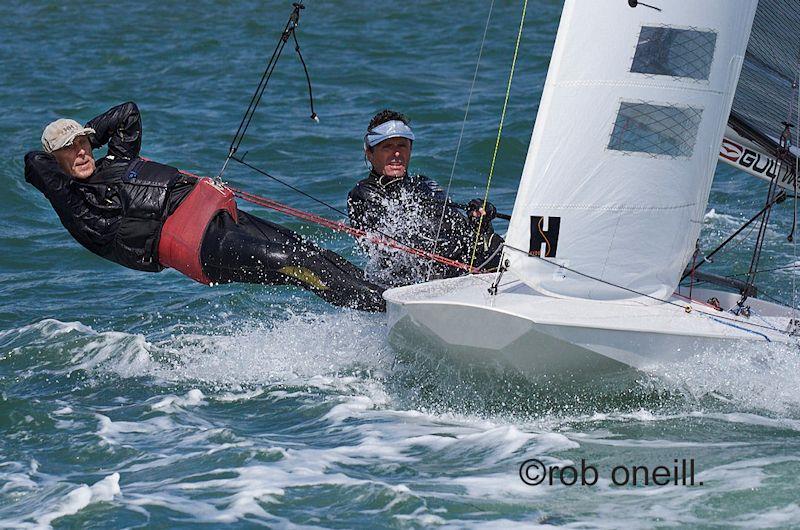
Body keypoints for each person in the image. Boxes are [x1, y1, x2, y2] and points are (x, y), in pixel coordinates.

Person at [25, 101, 385, 311]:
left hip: (214, 217)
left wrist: (86, 132)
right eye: (70, 149)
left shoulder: (115, 161)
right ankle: (380, 307)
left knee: (305, 248)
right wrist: (57, 156)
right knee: (293, 263)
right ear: (55, 160)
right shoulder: (77, 205)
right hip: (195, 245)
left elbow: (128, 114)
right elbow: (33, 162)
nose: (82, 152)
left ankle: (385, 290)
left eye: (84, 144)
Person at [347, 109, 504, 287]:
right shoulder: (362, 193)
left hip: (460, 271)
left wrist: (478, 220)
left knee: (495, 245)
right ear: (369, 152)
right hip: (412, 283)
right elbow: (392, 248)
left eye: (402, 146)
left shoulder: (424, 184)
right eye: (387, 147)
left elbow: (463, 232)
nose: (396, 153)